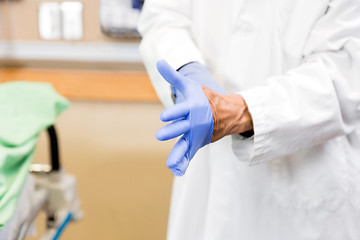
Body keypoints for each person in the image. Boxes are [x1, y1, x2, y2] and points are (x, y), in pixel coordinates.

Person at [138, 0, 360, 239]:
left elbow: (344, 76)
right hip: (205, 182)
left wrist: (243, 111)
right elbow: (163, 16)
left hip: (305, 187)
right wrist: (187, 68)